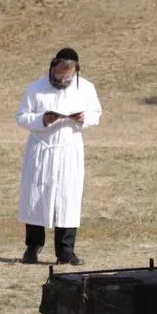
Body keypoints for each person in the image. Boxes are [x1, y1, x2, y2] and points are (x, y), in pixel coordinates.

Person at [16, 48, 102, 266]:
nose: (63, 78)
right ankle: (33, 246)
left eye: (68, 74)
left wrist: (84, 117)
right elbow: (22, 117)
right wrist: (43, 119)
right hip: (42, 149)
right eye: (60, 73)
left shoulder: (86, 89)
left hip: (69, 150)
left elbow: (96, 113)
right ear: (53, 66)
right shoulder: (35, 89)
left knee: (67, 199)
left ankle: (65, 251)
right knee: (36, 198)